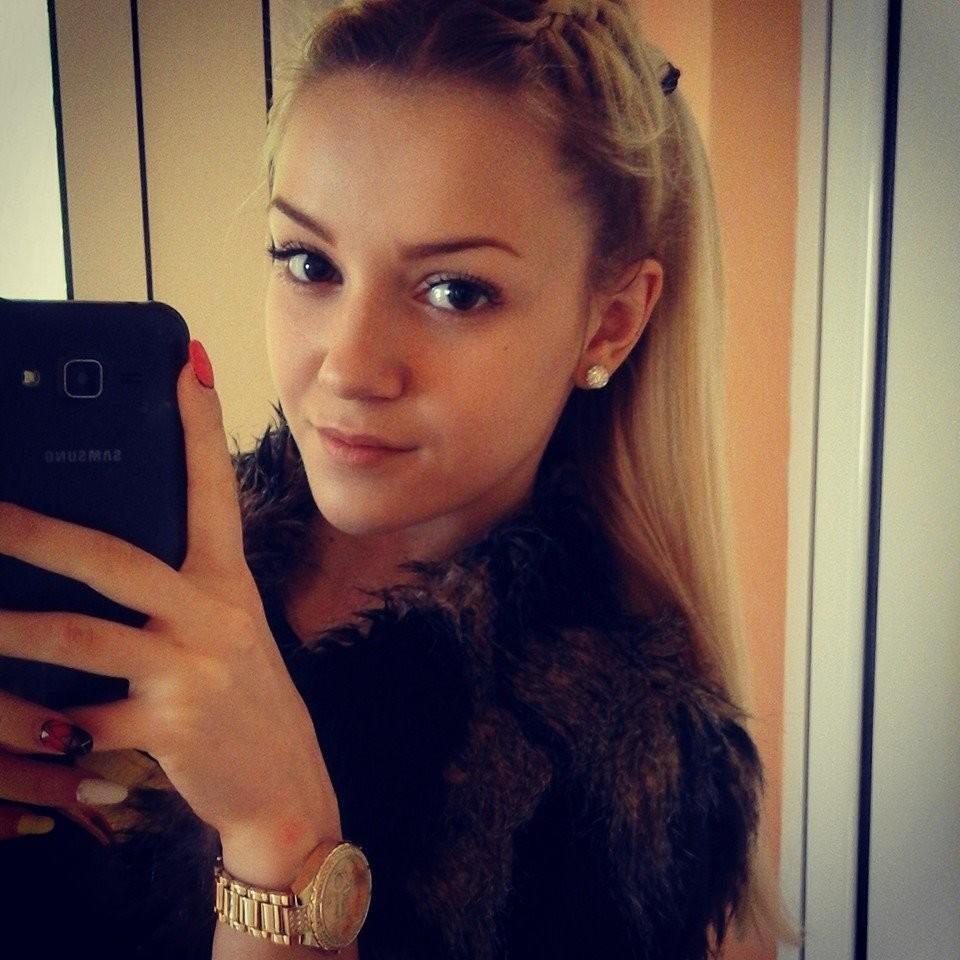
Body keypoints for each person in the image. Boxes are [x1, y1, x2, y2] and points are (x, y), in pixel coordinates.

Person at [0, 1, 803, 957]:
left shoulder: (630, 766)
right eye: (309, 262)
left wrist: (282, 839)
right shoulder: (149, 547)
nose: (349, 367)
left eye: (455, 291)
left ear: (611, 322)